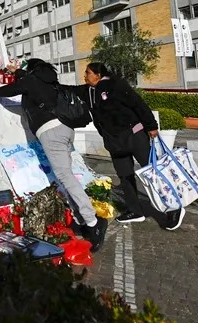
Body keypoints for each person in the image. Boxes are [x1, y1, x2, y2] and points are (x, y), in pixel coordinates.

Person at [0, 58, 108, 252]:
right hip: (65, 128)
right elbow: (26, 80)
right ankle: (82, 218)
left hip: (51, 133)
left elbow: (8, 90)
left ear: (31, 70)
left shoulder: (31, 81)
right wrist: (16, 72)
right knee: (67, 176)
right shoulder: (49, 81)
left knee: (65, 176)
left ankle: (93, 222)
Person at [75, 62, 184, 231]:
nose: (85, 75)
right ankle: (135, 211)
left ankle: (174, 207)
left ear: (98, 74)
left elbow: (137, 104)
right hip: (115, 142)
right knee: (125, 176)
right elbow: (67, 89)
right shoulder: (89, 91)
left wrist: (151, 126)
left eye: (88, 72)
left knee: (152, 172)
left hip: (135, 135)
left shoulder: (116, 84)